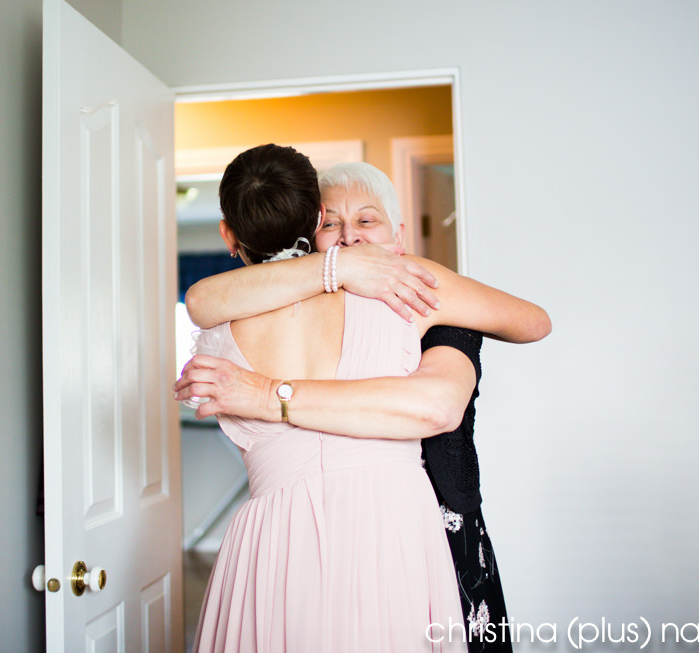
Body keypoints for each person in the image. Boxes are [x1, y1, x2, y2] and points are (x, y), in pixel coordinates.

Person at [177, 159, 550, 651]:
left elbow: (525, 327)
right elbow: (203, 296)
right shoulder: (228, 303)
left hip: (294, 534)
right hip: (372, 522)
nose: (350, 239)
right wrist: (339, 270)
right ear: (314, 226)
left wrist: (270, 395)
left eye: (366, 222)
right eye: (333, 224)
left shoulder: (410, 290)